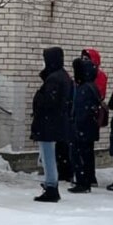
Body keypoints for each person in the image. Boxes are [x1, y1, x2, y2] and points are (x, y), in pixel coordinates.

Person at [31, 47, 74, 203]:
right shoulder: (63, 76)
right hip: (56, 121)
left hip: (49, 122)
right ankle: (51, 185)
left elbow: (49, 101)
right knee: (49, 154)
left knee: (48, 155)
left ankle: (51, 186)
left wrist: (38, 97)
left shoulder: (55, 78)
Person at [68, 58, 101, 193]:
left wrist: (75, 124)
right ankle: (87, 179)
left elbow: (81, 110)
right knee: (86, 155)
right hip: (89, 127)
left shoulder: (84, 88)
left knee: (79, 155)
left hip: (82, 127)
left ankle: (83, 182)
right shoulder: (92, 86)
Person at [81, 48, 107, 187]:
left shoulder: (99, 76)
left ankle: (89, 176)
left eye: (87, 58)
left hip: (91, 115)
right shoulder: (82, 76)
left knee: (87, 148)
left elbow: (100, 94)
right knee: (83, 147)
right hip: (85, 115)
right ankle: (84, 174)